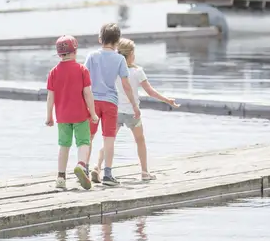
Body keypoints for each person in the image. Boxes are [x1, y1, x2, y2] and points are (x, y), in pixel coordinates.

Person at [114, 38, 178, 182]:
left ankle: (98, 168)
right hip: (133, 113)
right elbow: (150, 92)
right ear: (130, 54)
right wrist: (167, 100)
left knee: (109, 140)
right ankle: (144, 172)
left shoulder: (114, 71)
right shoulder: (137, 71)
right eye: (133, 53)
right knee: (140, 141)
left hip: (116, 112)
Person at [84, 22, 139, 187]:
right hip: (110, 102)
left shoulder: (92, 56)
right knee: (109, 139)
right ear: (117, 42)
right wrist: (134, 105)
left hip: (92, 102)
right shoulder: (120, 59)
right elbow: (126, 85)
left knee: (89, 137)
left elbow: (84, 80)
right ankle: (107, 174)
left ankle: (85, 170)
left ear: (100, 39)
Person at [46, 35, 99, 191]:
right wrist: (93, 113)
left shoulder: (53, 72)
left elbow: (50, 96)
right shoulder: (82, 69)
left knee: (64, 146)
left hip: (62, 116)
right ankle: (81, 165)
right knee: (83, 142)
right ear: (75, 51)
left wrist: (49, 116)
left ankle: (61, 178)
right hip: (81, 115)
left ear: (59, 54)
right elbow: (88, 93)